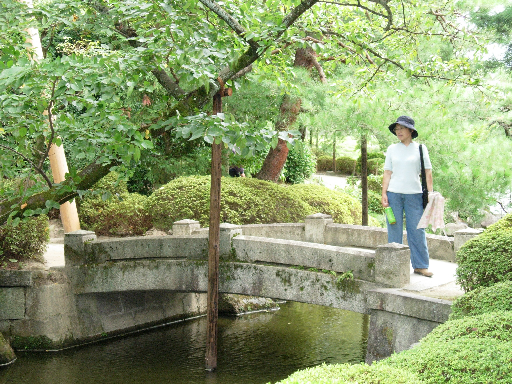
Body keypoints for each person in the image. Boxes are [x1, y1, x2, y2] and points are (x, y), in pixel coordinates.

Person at [381, 115, 434, 277]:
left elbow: (427, 172)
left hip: (415, 195)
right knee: (394, 228)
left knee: (417, 230)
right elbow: (387, 172)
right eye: (397, 129)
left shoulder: (420, 148)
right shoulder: (392, 149)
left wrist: (430, 194)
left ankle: (420, 265)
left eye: (402, 128)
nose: (399, 131)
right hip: (394, 194)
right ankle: (394, 265)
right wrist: (384, 193)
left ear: (411, 130)